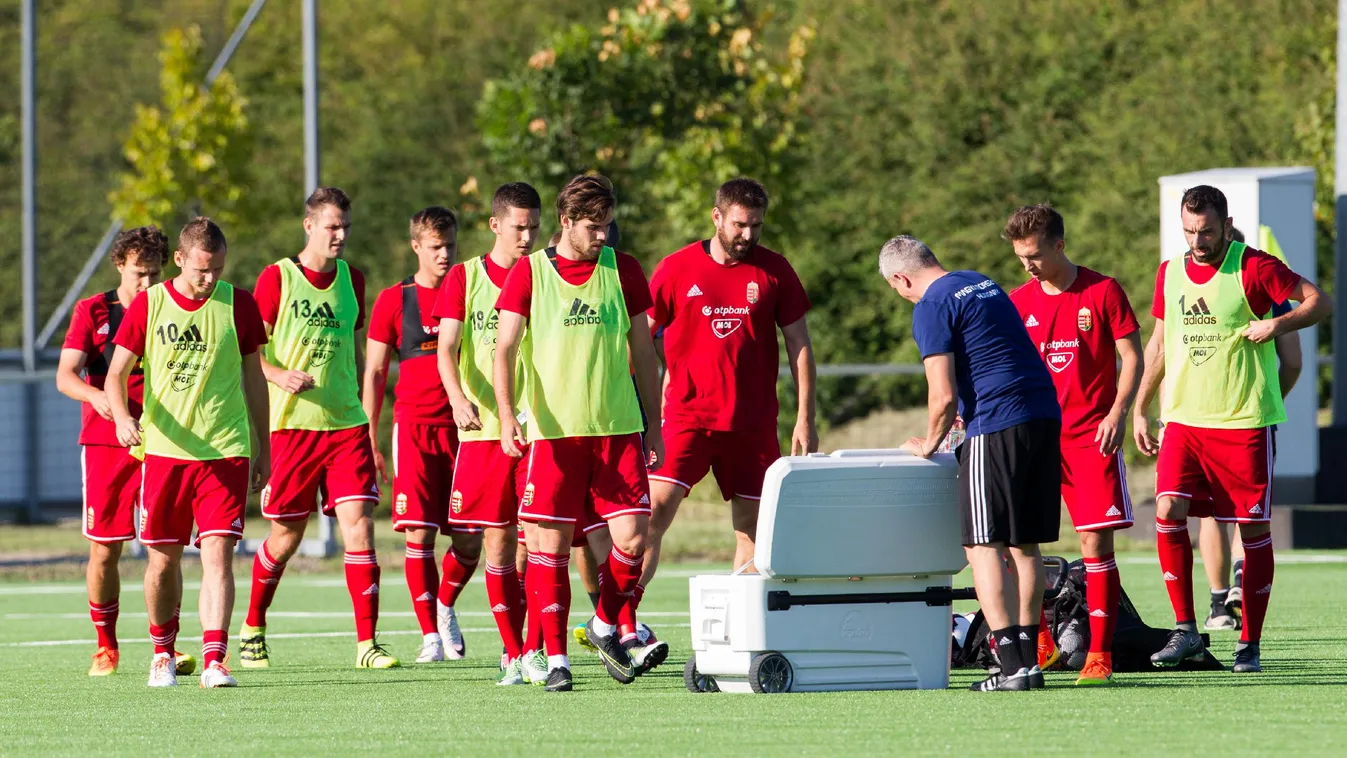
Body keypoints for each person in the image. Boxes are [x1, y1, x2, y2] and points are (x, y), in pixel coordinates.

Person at [1132, 185, 1330, 673]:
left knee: (1252, 527)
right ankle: (1187, 630)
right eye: (1189, 231)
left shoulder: (1255, 266)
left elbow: (1319, 302)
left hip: (1242, 422)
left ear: (1225, 223)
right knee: (1169, 509)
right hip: (1183, 419)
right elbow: (1158, 344)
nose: (1197, 241)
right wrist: (1140, 406)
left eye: (1207, 231)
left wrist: (1275, 327)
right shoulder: (1170, 272)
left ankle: (1249, 643)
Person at [493, 174, 664, 692]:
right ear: (565, 222)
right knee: (550, 548)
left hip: (617, 427)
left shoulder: (624, 268)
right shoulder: (529, 273)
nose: (602, 237)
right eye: (593, 227)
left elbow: (644, 353)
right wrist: (506, 416)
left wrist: (654, 423)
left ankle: (604, 625)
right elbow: (503, 351)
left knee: (632, 539)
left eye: (608, 226)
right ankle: (559, 659)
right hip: (554, 432)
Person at [881, 234, 1062, 692]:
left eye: (897, 289)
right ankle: (1030, 662)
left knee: (982, 543)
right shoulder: (981, 282)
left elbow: (941, 394)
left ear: (902, 277)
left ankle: (1012, 667)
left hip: (997, 421)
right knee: (1025, 546)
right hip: (1042, 413)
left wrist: (929, 444)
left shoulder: (931, 305)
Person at [105, 217, 271, 688]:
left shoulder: (239, 303)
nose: (210, 278)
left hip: (225, 449)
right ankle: (162, 651)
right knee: (162, 561)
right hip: (165, 453)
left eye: (218, 268)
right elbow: (115, 375)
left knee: (218, 555)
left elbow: (255, 380)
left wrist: (265, 445)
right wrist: (122, 418)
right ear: (179, 260)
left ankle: (216, 658)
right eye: (201, 269)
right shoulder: (149, 305)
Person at [241, 187, 397, 669]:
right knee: (285, 537)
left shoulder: (355, 280)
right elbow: (250, 355)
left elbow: (351, 354)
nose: (340, 235)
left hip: (346, 423)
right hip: (292, 428)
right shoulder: (277, 279)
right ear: (308, 225)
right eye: (331, 226)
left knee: (360, 529)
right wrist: (278, 375)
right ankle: (252, 628)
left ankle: (366, 644)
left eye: (345, 226)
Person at [645, 177, 816, 594]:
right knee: (648, 518)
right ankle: (621, 624)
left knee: (755, 535)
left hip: (752, 424)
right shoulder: (675, 268)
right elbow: (642, 335)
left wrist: (805, 418)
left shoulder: (774, 269)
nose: (748, 235)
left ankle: (742, 634)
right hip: (684, 418)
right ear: (716, 217)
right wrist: (649, 398)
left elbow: (800, 344)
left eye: (756, 225)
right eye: (740, 224)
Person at [1006, 204, 1143, 686]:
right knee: (1022, 543)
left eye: (1035, 254)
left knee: (1093, 543)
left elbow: (1132, 357)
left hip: (1090, 438)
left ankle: (1100, 655)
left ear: (1059, 245)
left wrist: (1118, 413)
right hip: (1034, 437)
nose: (1027, 264)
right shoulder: (1017, 301)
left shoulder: (1102, 291)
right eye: (1020, 256)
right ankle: (1039, 642)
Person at [55, 226, 200, 678]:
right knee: (105, 549)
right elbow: (66, 376)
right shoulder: (92, 310)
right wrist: (97, 398)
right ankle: (106, 645)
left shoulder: (170, 306)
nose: (147, 283)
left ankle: (167, 647)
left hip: (164, 441)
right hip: (107, 443)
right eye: (139, 273)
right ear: (120, 265)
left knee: (165, 548)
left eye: (154, 273)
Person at [432, 183, 542, 684]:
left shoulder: (546, 274)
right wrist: (457, 398)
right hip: (486, 434)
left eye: (534, 227)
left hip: (540, 428)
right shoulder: (465, 276)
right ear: (495, 225)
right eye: (518, 226)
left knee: (537, 545)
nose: (527, 236)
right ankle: (513, 650)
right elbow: (447, 347)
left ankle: (533, 649)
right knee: (495, 547)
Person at [364, 207, 462, 663]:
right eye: (435, 247)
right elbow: (376, 371)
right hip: (415, 429)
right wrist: (369, 436)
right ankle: (430, 636)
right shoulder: (394, 300)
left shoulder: (468, 291)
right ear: (416, 247)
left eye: (450, 246)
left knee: (469, 539)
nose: (444, 255)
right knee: (419, 535)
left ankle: (445, 606)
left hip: (467, 430)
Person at [1195, 227, 1301, 631]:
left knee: (1209, 515)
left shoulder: (1190, 288)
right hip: (1252, 417)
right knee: (1251, 512)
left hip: (1199, 419)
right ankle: (1242, 576)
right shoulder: (1269, 292)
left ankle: (1218, 603)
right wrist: (1276, 398)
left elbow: (1169, 353)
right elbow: (1292, 361)